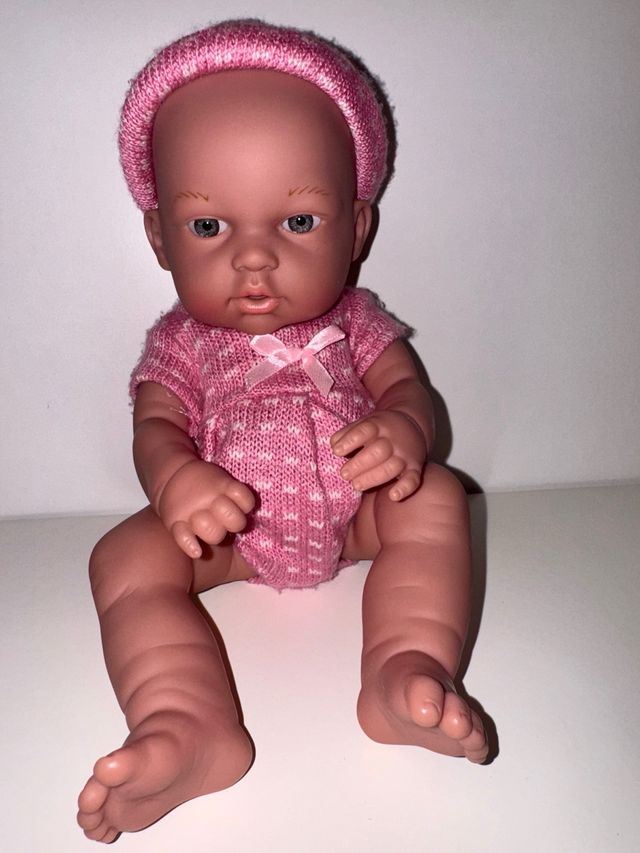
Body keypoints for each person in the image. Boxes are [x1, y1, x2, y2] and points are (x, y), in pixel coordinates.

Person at [77, 19, 488, 844]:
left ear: (356, 228)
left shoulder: (358, 321)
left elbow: (408, 390)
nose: (254, 258)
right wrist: (176, 480)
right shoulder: (182, 344)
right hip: (227, 537)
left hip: (357, 514)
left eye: (297, 222)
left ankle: (405, 664)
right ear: (159, 238)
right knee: (123, 558)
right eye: (209, 227)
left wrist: (405, 428)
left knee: (437, 499)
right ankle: (185, 716)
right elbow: (155, 424)